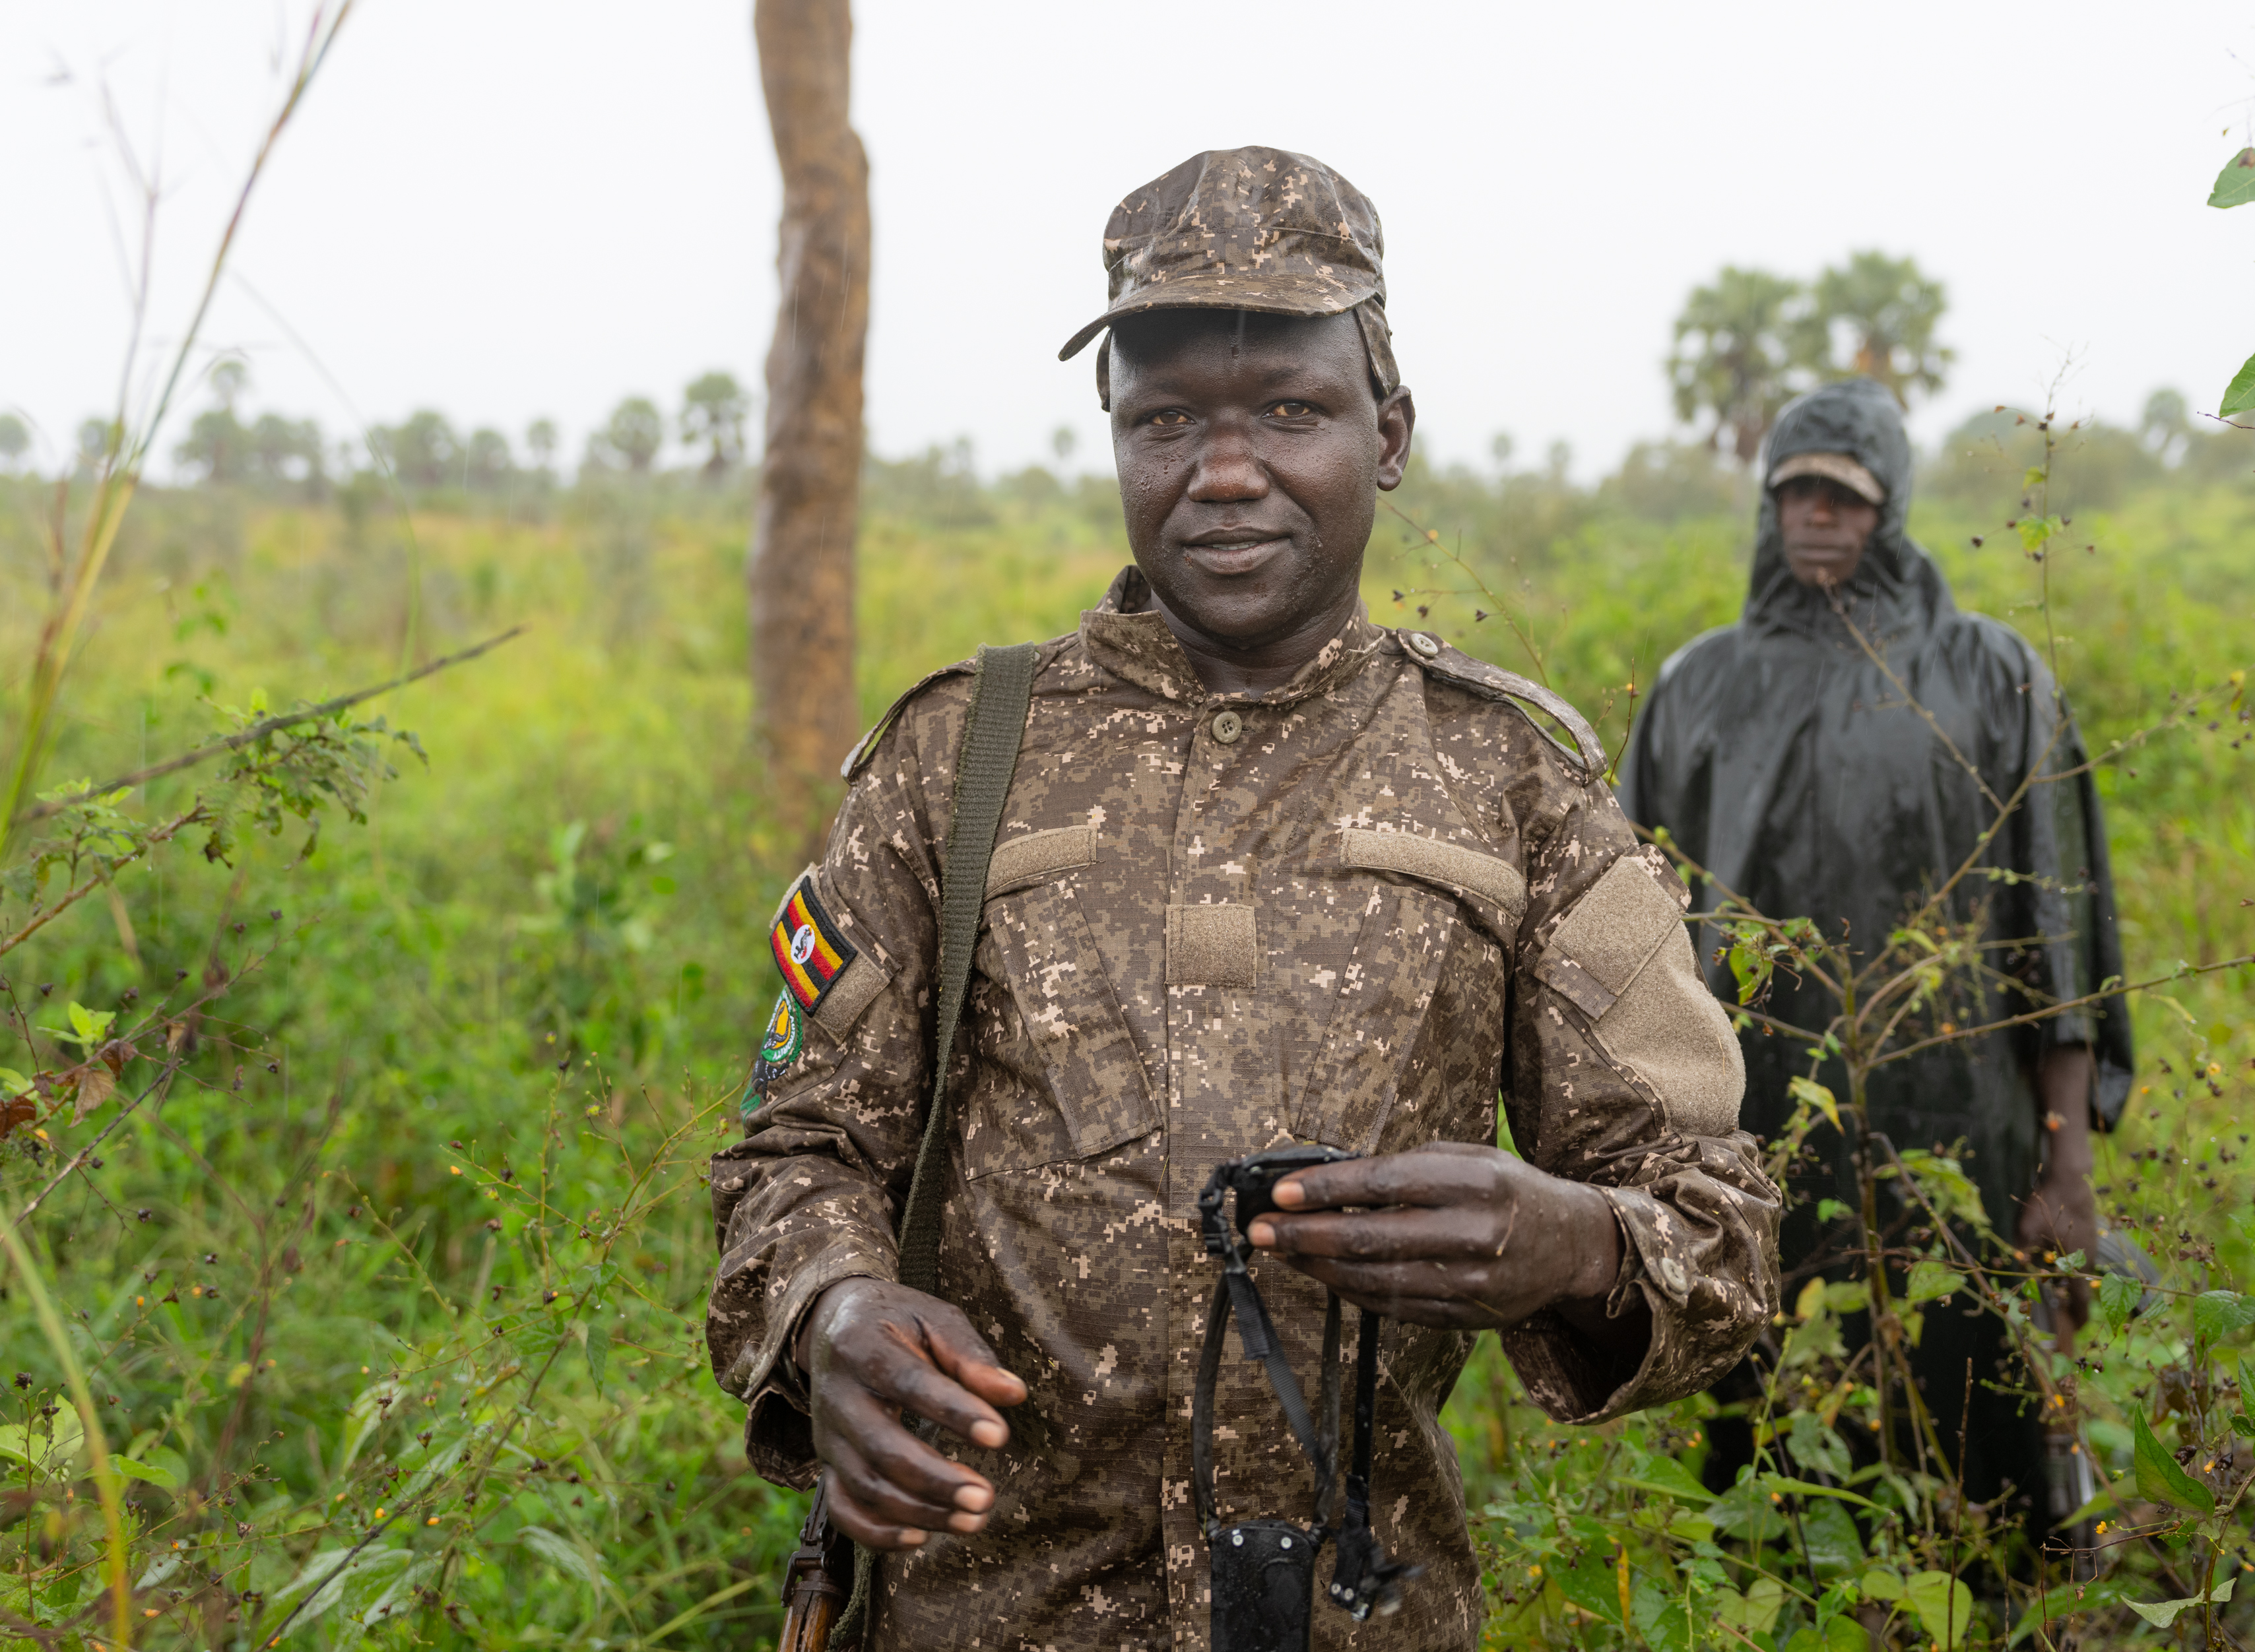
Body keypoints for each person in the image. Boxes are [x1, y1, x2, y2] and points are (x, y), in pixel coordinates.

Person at [708, 146, 1782, 1648]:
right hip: (981, 1613)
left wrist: (1580, 1242)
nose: (1224, 471)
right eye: (1166, 420)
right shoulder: (955, 759)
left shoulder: (1514, 784)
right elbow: (792, 1147)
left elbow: (1718, 1222)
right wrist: (829, 1308)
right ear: (1114, 436)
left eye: (1290, 409)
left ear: (1387, 432)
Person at [1616, 377, 2133, 1548]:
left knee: (1974, 1406)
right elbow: (1626, 943)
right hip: (1751, 1146)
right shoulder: (1701, 688)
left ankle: (1989, 1592)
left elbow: (2057, 948)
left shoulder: (1989, 677)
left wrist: (2067, 1171)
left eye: (1844, 495)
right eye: (1795, 491)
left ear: (1890, 507)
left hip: (1962, 1135)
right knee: (1770, 1423)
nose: (1816, 515)